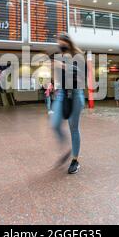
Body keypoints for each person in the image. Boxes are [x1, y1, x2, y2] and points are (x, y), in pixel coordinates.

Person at [50, 34, 85, 174]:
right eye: (58, 41)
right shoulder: (58, 56)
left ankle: (75, 160)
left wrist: (63, 66)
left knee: (73, 127)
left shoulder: (77, 55)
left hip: (76, 94)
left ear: (67, 42)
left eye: (61, 41)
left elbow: (80, 74)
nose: (59, 43)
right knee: (55, 124)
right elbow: (59, 78)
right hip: (62, 93)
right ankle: (67, 149)